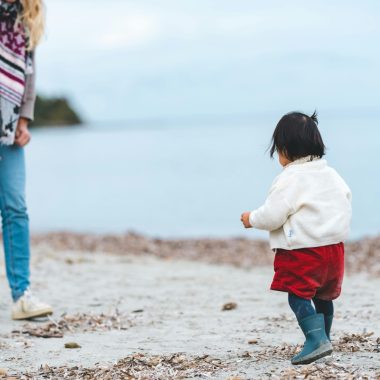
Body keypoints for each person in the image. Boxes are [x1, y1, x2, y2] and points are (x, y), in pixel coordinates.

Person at [240, 111, 351, 365]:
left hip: (303, 251)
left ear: (286, 149)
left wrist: (251, 219)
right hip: (334, 250)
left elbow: (272, 215)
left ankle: (316, 339)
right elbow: (345, 202)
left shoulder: (290, 179)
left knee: (298, 294)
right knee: (323, 296)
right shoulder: (332, 175)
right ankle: (324, 337)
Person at [0, 0, 52, 319]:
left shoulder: (28, 14)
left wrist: (24, 120)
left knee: (15, 207)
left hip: (8, 126)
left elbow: (29, 72)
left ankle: (22, 296)